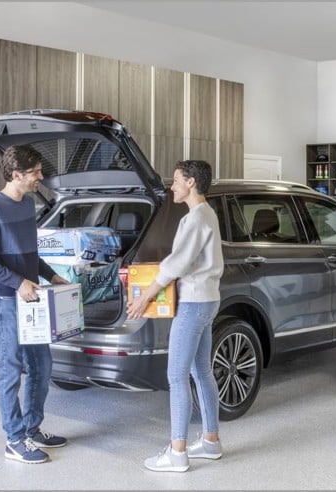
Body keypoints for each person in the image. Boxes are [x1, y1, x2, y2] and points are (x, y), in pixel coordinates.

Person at [0, 145, 70, 464]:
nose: (41, 178)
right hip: (4, 300)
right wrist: (18, 282)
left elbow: (29, 254)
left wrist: (51, 275)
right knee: (11, 370)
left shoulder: (27, 205)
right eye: (36, 173)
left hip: (32, 300)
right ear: (17, 175)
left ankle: (32, 428)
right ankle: (14, 439)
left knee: (42, 366)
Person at [127, 159, 224, 473]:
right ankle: (210, 442)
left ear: (191, 182)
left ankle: (177, 452)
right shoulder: (207, 214)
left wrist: (146, 294)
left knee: (177, 376)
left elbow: (177, 263)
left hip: (194, 304)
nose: (172, 187)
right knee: (202, 372)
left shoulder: (197, 218)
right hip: (207, 300)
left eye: (176, 180)